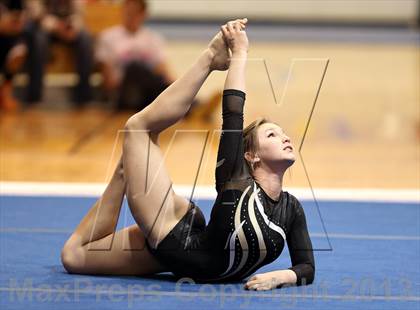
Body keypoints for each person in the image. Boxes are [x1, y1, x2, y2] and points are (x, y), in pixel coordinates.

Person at [61, 19, 315, 291]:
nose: (285, 137)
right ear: (250, 156)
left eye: (282, 133)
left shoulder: (292, 208)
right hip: (170, 235)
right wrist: (240, 54)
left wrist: (280, 277)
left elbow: (306, 268)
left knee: (73, 256)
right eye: (272, 135)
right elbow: (232, 111)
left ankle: (129, 166)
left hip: (178, 258)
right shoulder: (236, 181)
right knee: (137, 129)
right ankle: (208, 59)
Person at [96, 0, 220, 119]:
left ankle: (191, 104)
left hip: (147, 94)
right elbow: (108, 79)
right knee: (134, 67)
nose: (130, 16)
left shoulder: (153, 39)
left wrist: (178, 87)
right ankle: (193, 106)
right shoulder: (109, 37)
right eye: (128, 12)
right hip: (124, 93)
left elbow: (163, 71)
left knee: (161, 90)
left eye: (135, 13)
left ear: (143, 14)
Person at [24, 0, 93, 105]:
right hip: (45, 29)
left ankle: (84, 97)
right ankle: (34, 96)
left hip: (68, 29)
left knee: (86, 39)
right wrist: (56, 26)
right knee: (38, 41)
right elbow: (36, 14)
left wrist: (73, 28)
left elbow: (79, 14)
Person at [0, 0, 26, 111]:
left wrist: (15, 24)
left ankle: (5, 93)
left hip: (10, 37)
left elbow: (20, 18)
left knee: (18, 51)